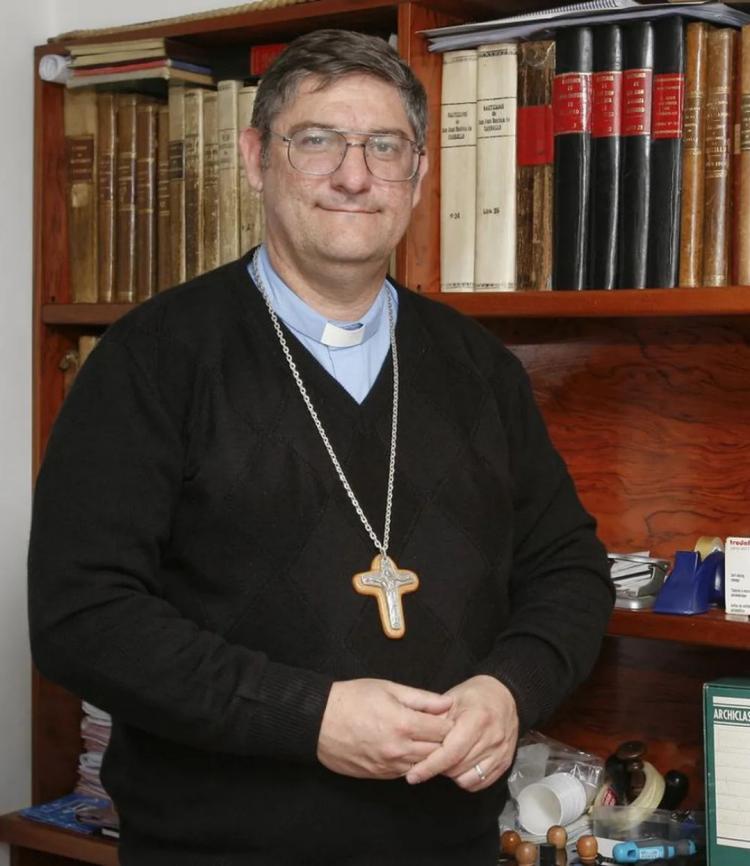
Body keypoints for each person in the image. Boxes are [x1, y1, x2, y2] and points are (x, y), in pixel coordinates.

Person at [28, 29, 614, 866]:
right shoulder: (151, 358)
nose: (354, 175)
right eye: (317, 141)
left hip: (447, 849)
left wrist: (509, 688)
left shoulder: (480, 368)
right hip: (217, 853)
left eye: (385, 146)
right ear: (257, 159)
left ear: (419, 173)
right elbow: (83, 617)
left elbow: (570, 569)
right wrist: (310, 718)